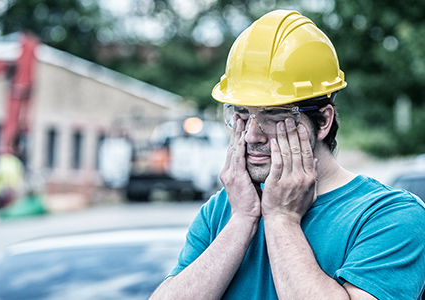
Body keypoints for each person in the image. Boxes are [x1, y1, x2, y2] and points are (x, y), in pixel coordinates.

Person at [150, 10, 425, 300]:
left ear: (323, 121)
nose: (252, 135)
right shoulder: (222, 209)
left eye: (273, 115)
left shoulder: (391, 217)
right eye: (242, 114)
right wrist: (243, 218)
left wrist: (281, 219)